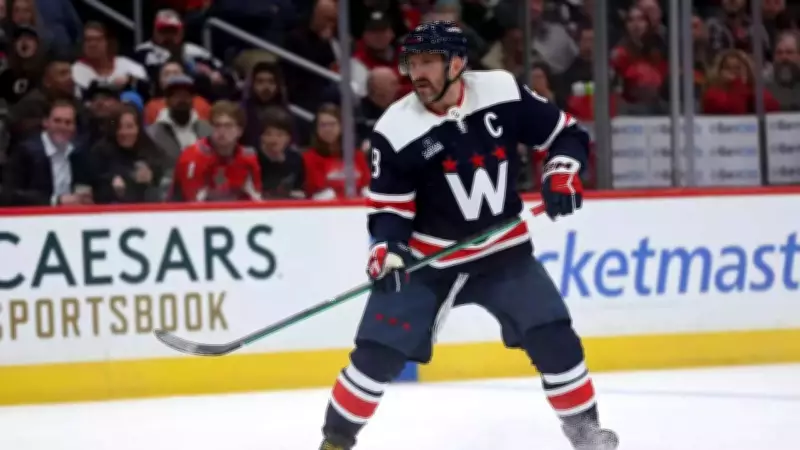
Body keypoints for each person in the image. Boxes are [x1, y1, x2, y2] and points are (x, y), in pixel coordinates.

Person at [317, 22, 618, 450]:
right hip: (429, 263)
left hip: (505, 255)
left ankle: (586, 434)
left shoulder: (501, 91)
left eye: (428, 62)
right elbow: (389, 210)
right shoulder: (395, 129)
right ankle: (335, 442)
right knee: (374, 355)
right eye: (412, 63)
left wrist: (561, 172)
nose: (417, 73)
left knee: (554, 337)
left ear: (457, 64)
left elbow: (566, 135)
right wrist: (387, 251)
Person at [2, 99, 95, 206]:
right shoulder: (25, 151)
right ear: (46, 122)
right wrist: (56, 201)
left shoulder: (79, 152)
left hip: (73, 213)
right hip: (37, 213)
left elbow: (95, 185)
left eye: (68, 122)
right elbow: (9, 194)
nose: (62, 127)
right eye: (57, 121)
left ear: (74, 127)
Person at [169, 100, 262, 202]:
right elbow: (191, 203)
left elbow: (257, 200)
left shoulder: (248, 158)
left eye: (228, 126)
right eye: (217, 125)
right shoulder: (193, 157)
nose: (222, 131)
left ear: (240, 131)